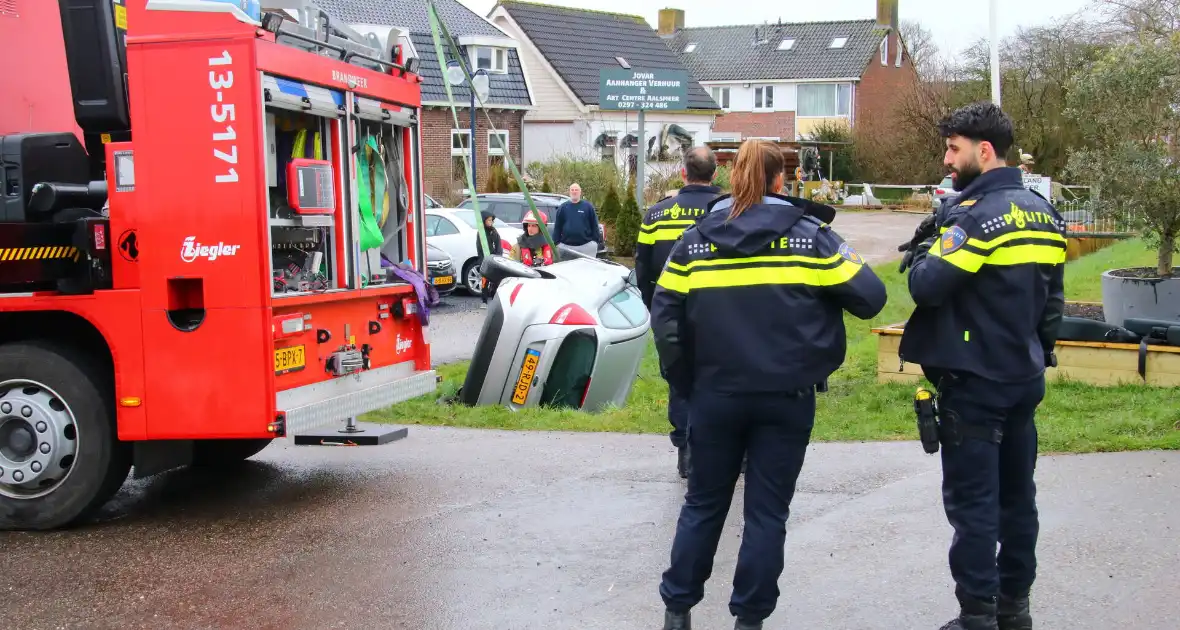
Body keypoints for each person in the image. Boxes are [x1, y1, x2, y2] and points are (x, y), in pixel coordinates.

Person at [652, 139, 887, 630]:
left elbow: (665, 318)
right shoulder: (812, 237)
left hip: (715, 395)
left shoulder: (695, 241)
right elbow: (871, 297)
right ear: (781, 181)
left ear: (732, 176)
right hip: (787, 396)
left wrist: (685, 382)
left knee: (703, 503)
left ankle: (678, 611)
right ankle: (750, 620)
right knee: (766, 513)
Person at [898, 102, 1066, 630]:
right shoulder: (1044, 212)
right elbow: (1052, 302)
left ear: (983, 151)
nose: (947, 159)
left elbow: (925, 287)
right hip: (1023, 375)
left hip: (974, 382)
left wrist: (927, 245)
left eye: (953, 148)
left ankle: (978, 617)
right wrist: (1037, 350)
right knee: (1019, 500)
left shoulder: (976, 219)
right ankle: (1016, 609)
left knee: (974, 508)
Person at [635, 146, 722, 479]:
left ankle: (686, 453)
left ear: (683, 173)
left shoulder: (656, 215)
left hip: (671, 314)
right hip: (718, 314)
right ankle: (728, 453)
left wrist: (653, 308)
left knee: (680, 382)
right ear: (714, 174)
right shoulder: (728, 212)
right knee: (723, 379)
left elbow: (642, 268)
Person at [552, 183, 603, 257]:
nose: (574, 192)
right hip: (566, 247)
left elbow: (594, 225)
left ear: (580, 192)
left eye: (576, 190)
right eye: (572, 190)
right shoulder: (562, 208)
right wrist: (556, 242)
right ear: (569, 192)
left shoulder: (588, 207)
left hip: (586, 247)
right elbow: (557, 226)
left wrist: (595, 242)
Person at [475, 211, 504, 308]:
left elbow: (498, 245)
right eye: (489, 220)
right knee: (484, 281)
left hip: (494, 259)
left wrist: (498, 256)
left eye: (492, 220)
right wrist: (482, 261)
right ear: (484, 221)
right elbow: (479, 248)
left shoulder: (493, 231)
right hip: (484, 260)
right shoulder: (481, 233)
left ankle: (494, 299)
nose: (491, 222)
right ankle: (484, 300)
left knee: (496, 280)